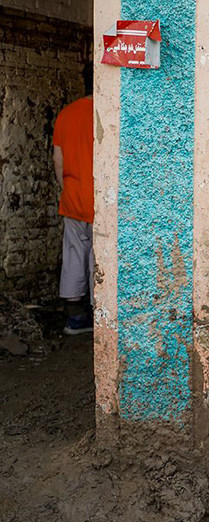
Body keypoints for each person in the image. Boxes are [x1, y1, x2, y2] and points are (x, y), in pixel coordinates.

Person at [53, 84, 94, 335]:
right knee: (98, 260)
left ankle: (75, 318)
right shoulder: (108, 112)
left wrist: (66, 188)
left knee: (74, 256)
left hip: (72, 197)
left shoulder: (66, 114)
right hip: (100, 200)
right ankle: (101, 318)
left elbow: (59, 160)